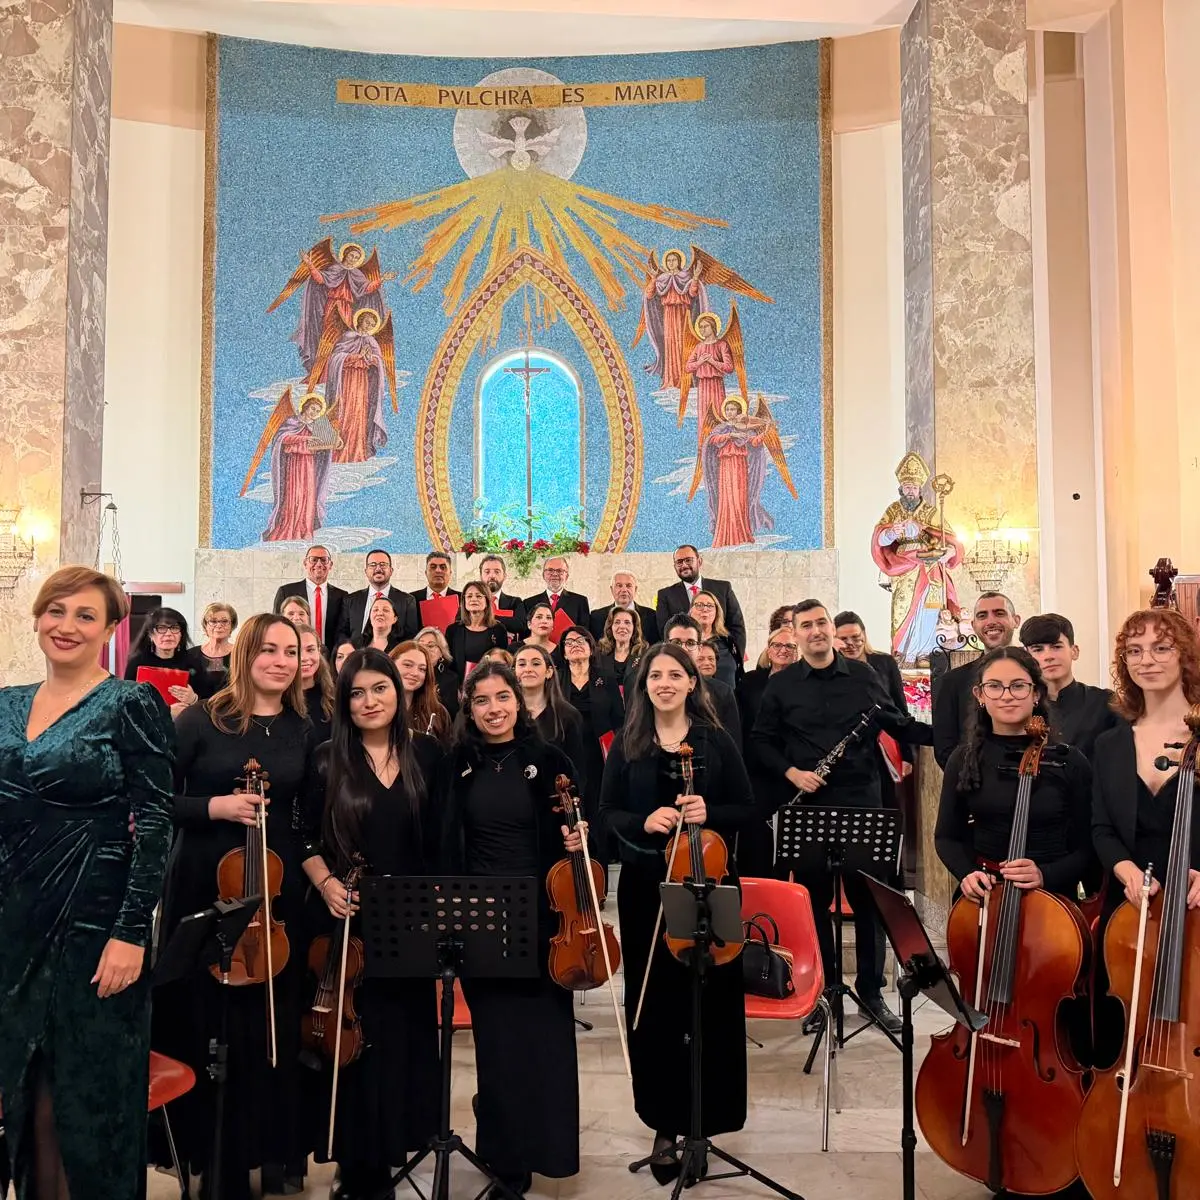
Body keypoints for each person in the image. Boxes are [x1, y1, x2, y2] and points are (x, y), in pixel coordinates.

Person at [0, 566, 174, 1200]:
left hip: (95, 930)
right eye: (56, 611)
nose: (66, 626)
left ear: (108, 630)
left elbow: (155, 824)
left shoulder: (131, 703)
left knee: (85, 1102)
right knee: (25, 1095)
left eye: (84, 616)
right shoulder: (6, 703)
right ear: (39, 616)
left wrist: (131, 933)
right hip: (15, 928)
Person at [153, 613, 318, 1200]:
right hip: (204, 886)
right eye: (268, 649)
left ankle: (268, 1148)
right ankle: (209, 1154)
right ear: (245, 653)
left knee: (266, 1028)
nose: (279, 660)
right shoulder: (201, 719)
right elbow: (153, 798)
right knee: (205, 1022)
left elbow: (305, 817)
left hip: (273, 897)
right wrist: (213, 809)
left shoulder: (306, 726)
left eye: (290, 650)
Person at [599, 644, 752, 1182]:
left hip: (709, 888)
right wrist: (644, 821)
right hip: (648, 892)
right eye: (654, 675)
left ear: (692, 682)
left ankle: (702, 1126)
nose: (664, 683)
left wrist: (711, 810)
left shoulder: (716, 740)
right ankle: (664, 1122)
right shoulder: (629, 743)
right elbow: (606, 815)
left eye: (674, 675)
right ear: (642, 685)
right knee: (657, 1010)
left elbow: (749, 810)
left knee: (707, 1008)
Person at [751, 599, 933, 1034]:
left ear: (832, 629)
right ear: (793, 634)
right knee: (812, 904)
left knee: (869, 902)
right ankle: (825, 992)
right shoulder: (783, 685)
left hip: (861, 801)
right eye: (805, 626)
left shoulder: (865, 676)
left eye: (821, 623)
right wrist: (793, 772)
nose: (815, 631)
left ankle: (871, 992)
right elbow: (761, 741)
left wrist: (953, 733)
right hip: (809, 804)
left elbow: (897, 723)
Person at [299, 649, 440, 1199]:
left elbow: (442, 833)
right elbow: (304, 836)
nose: (369, 701)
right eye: (356, 692)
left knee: (401, 1036)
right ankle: (356, 1164)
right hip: (348, 919)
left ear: (398, 693)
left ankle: (392, 1145)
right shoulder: (326, 758)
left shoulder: (427, 753)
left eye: (379, 688)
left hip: (410, 918)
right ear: (344, 701)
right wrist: (325, 882)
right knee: (354, 1041)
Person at [439, 664, 580, 1195]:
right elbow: (444, 841)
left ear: (519, 703)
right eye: (482, 700)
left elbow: (575, 830)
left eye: (504, 697)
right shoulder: (455, 764)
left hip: (544, 920)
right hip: (479, 920)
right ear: (468, 708)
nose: (494, 708)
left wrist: (577, 835)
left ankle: (548, 1151)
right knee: (496, 1047)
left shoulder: (550, 761)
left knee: (543, 1043)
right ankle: (506, 1164)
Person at [1091, 608, 1200, 1066]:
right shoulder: (1111, 743)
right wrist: (1126, 871)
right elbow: (1100, 826)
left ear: (1186, 658)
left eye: (1161, 648)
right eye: (1134, 651)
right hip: (1129, 908)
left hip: (1194, 906)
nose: (1147, 660)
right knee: (1125, 1027)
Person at [935, 647, 1093, 902]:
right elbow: (946, 837)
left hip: (1052, 899)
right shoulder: (964, 759)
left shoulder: (1069, 761)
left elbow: (1088, 847)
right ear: (980, 695)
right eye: (994, 686)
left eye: (1018, 686)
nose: (1007, 696)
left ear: (1036, 694)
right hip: (986, 895)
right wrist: (968, 873)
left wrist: (1046, 874)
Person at [932, 592, 1022, 768]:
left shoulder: (1035, 674)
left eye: (999, 613)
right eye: (982, 616)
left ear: (1016, 620)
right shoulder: (952, 682)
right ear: (973, 625)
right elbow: (944, 748)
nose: (991, 621)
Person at [737, 623, 799, 877]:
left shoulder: (802, 682)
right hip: (754, 768)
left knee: (783, 838)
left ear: (797, 652)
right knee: (755, 835)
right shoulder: (751, 680)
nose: (783, 650)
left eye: (790, 646)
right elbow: (740, 721)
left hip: (788, 770)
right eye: (777, 645)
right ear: (768, 649)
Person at [1019, 612, 1119, 759]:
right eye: (1038, 649)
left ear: (1074, 651)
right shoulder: (1020, 707)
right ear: (1027, 657)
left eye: (1056, 647)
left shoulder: (1104, 702)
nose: (1048, 656)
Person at [835, 610, 913, 781]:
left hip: (883, 747)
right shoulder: (832, 670)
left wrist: (907, 754)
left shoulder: (885, 663)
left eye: (855, 637)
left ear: (864, 634)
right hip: (847, 755)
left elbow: (900, 709)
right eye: (843, 639)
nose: (850, 644)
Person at [559, 625, 625, 829]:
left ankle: (600, 854)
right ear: (563, 651)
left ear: (591, 646)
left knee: (597, 801)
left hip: (599, 751)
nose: (575, 645)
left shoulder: (605, 677)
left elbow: (619, 718)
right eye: (569, 642)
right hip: (565, 750)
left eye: (581, 641)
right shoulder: (555, 678)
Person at [655, 544, 747, 668]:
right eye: (679, 562)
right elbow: (664, 632)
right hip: (684, 661)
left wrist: (736, 659)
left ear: (699, 561)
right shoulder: (665, 595)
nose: (684, 565)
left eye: (688, 560)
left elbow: (737, 626)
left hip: (721, 660)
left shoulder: (723, 588)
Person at [663, 615, 741, 751]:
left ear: (699, 648)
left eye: (691, 643)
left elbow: (733, 747)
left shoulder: (722, 692)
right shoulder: (650, 688)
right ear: (664, 646)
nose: (684, 649)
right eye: (676, 642)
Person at [514, 643, 587, 778]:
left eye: (535, 664)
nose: (528, 669)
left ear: (549, 672)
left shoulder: (569, 716)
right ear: (514, 672)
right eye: (522, 664)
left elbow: (578, 769)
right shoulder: (506, 714)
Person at [124, 605, 214, 707]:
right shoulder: (137, 662)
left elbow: (209, 701)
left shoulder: (193, 662)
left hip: (184, 721)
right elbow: (126, 703)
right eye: (161, 628)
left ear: (181, 634)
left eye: (174, 628)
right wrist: (167, 712)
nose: (168, 634)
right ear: (150, 635)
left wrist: (194, 699)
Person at [273, 544, 349, 650]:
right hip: (295, 652)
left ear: (330, 565)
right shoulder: (286, 592)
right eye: (313, 560)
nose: (319, 564)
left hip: (330, 656)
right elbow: (276, 627)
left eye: (324, 560)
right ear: (305, 563)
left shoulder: (342, 596)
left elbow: (344, 631)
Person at [342, 548, 419, 644]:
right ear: (366, 571)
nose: (378, 569)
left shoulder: (407, 600)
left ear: (391, 570)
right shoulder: (350, 600)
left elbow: (411, 638)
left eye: (383, 564)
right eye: (373, 565)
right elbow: (342, 634)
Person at [390, 639, 452, 740]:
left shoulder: (438, 712)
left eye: (422, 669)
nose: (415, 673)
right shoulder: (377, 708)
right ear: (391, 664)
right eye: (408, 665)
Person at [446, 580, 509, 677]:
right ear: (464, 601)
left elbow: (502, 663)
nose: (473, 599)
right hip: (458, 686)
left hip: (489, 683)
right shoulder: (453, 630)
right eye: (469, 596)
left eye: (479, 596)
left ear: (487, 601)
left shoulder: (498, 630)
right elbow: (448, 663)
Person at [589, 570, 659, 644]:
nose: (624, 590)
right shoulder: (596, 617)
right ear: (612, 589)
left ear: (635, 589)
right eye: (619, 585)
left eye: (629, 585)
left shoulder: (652, 615)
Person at [689, 589, 737, 688]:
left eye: (710, 606)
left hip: (729, 700)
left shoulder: (728, 641)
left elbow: (738, 673)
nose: (705, 609)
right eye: (699, 605)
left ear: (717, 612)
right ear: (690, 611)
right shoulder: (684, 642)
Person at [523, 556, 589, 628]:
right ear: (543, 575)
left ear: (566, 576)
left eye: (560, 571)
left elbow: (585, 632)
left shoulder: (580, 601)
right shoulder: (529, 603)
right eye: (550, 570)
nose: (554, 574)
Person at [298, 622, 336, 744]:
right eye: (296, 651)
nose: (304, 657)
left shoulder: (334, 696)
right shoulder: (278, 700)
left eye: (310, 649)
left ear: (319, 651)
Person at [416, 625, 461, 719]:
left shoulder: (451, 679)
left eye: (431, 646)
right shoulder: (408, 674)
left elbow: (450, 715)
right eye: (420, 645)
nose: (424, 649)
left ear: (441, 653)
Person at [479, 554, 528, 639]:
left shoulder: (515, 602)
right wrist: (502, 631)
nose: (492, 576)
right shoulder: (471, 601)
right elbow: (463, 622)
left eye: (497, 571)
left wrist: (484, 617)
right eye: (487, 572)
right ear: (480, 576)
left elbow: (520, 625)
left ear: (504, 576)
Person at [595, 605, 646, 686]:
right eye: (617, 622)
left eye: (627, 622)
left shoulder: (645, 654)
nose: (622, 626)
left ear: (634, 628)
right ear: (610, 627)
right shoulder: (598, 654)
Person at [194, 602, 238, 694]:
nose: (218, 625)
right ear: (205, 625)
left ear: (232, 626)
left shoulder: (241, 654)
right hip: (198, 706)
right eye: (213, 621)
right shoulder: (191, 655)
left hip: (232, 707)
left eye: (224, 621)